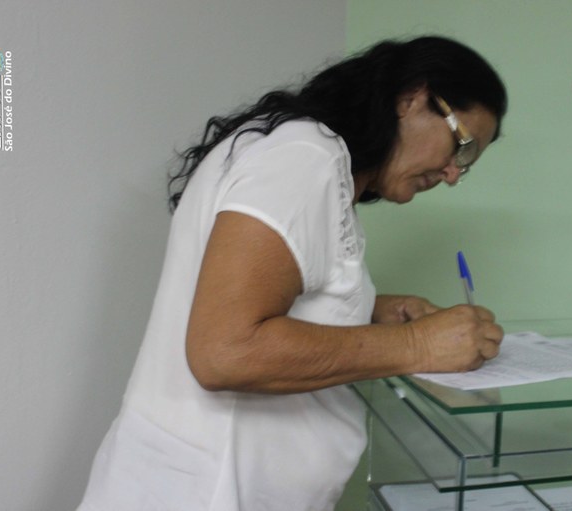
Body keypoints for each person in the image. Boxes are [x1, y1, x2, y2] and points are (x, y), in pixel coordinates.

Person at [77, 35, 507, 511]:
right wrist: (418, 345)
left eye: (466, 165)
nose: (452, 174)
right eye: (462, 147)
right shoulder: (305, 157)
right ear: (412, 98)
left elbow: (263, 299)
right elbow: (226, 352)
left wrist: (370, 310)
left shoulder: (308, 157)